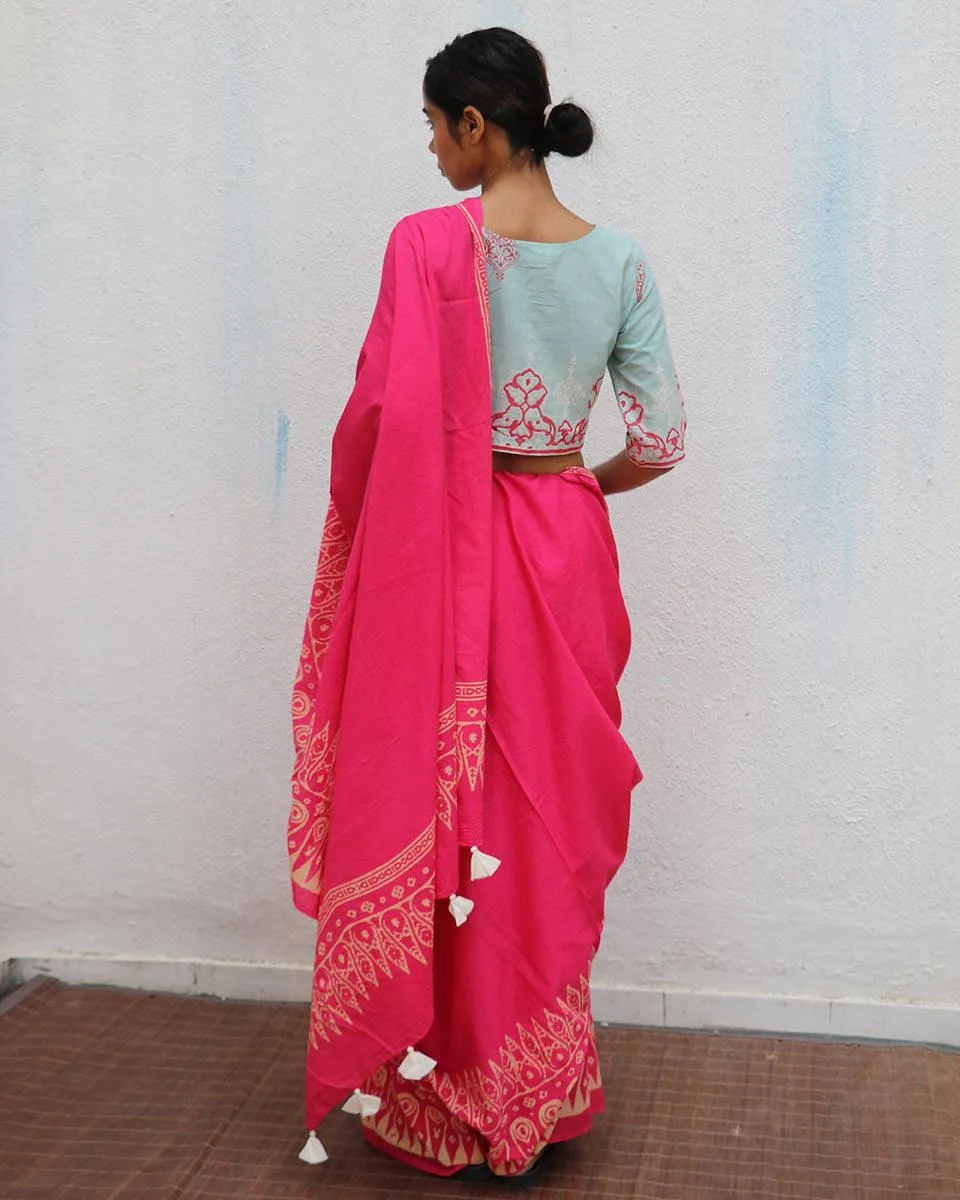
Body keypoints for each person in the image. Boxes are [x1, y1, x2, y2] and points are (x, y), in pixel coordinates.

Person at [288, 26, 686, 1186]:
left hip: (446, 557)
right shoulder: (619, 260)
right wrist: (569, 482)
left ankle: (438, 1092)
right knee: (539, 820)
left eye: (432, 125)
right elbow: (660, 444)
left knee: (449, 807)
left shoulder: (425, 248)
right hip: (562, 556)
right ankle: (535, 1086)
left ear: (476, 123)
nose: (429, 149)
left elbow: (374, 425)